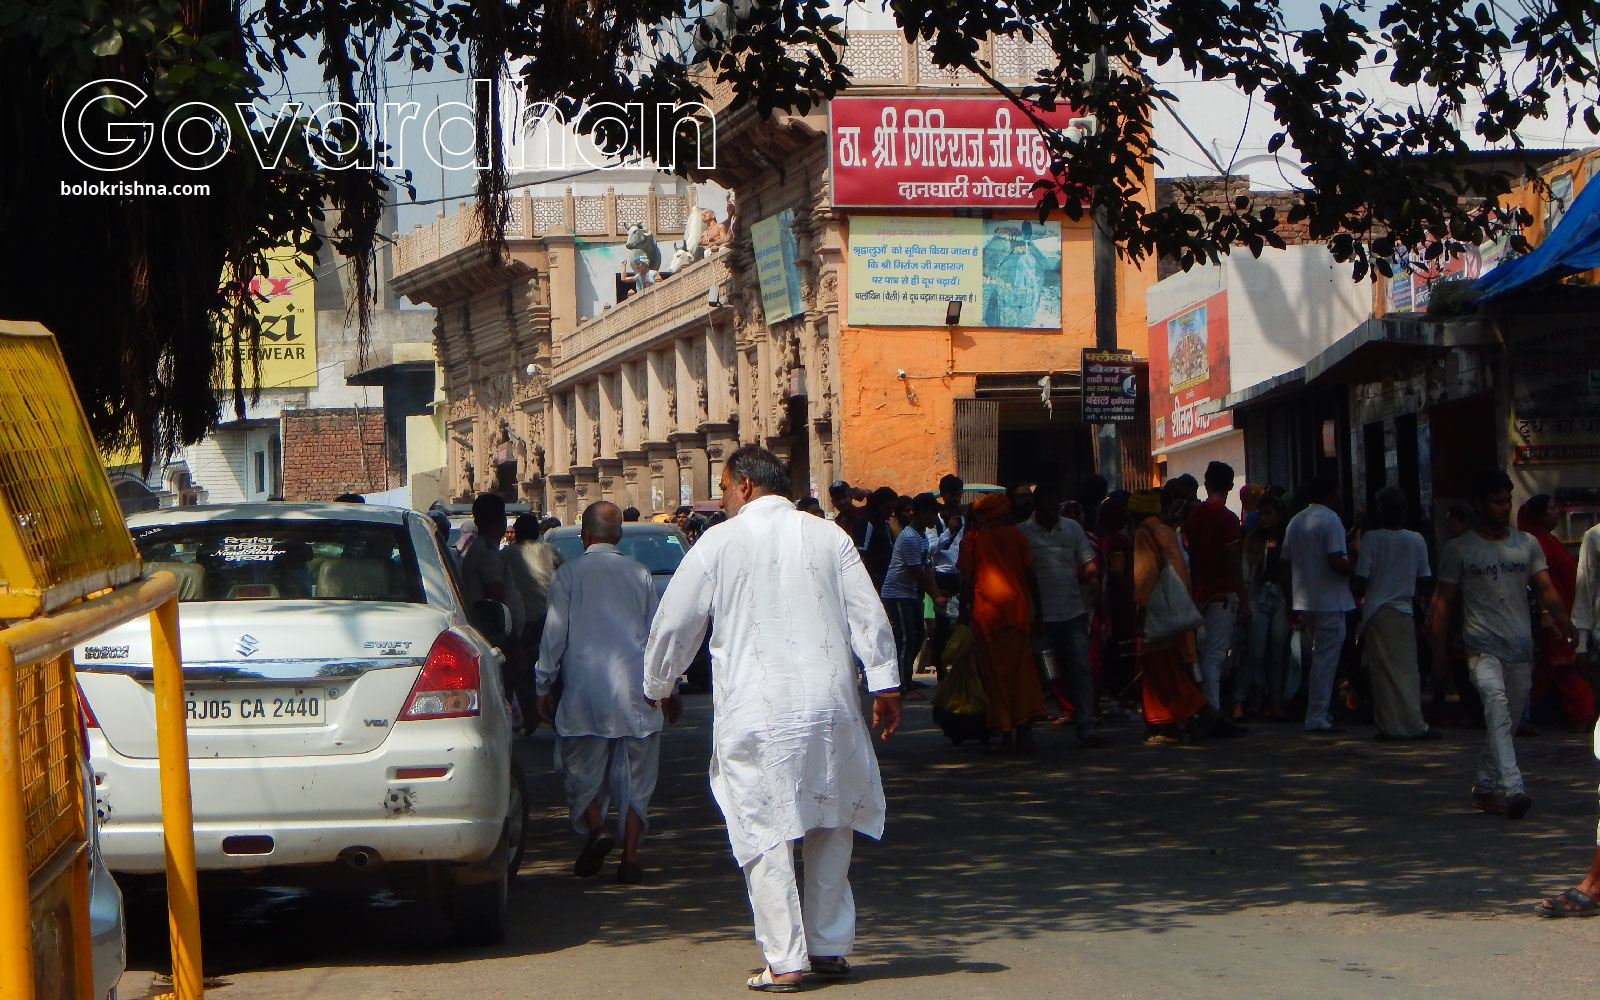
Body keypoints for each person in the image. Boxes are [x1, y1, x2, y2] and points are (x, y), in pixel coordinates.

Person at [643, 446, 900, 992]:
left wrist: (658, 684)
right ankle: (828, 946)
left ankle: (786, 958)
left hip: (758, 708)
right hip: (830, 701)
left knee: (764, 828)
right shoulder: (830, 536)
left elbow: (675, 622)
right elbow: (867, 611)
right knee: (831, 819)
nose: (727, 498)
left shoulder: (719, 541)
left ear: (744, 486)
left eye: (726, 487)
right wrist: (885, 681)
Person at [537, 501, 672, 884]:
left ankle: (597, 827)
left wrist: (542, 684)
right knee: (637, 781)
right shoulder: (641, 574)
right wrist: (669, 686)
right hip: (638, 694)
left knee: (579, 769)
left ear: (584, 536)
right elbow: (657, 636)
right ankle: (629, 857)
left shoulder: (569, 576)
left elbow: (553, 636)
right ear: (618, 536)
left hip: (585, 693)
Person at [1432, 471, 1575, 819]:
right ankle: (1514, 788)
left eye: (1507, 501)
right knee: (1496, 708)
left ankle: (1483, 787)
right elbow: (1442, 604)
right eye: (1497, 501)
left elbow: (1546, 590)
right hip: (1481, 648)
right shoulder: (1460, 549)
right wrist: (1438, 657)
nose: (1503, 507)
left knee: (1505, 722)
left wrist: (1567, 624)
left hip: (1521, 648)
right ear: (1478, 504)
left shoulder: (1526, 544)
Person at [1018, 479, 1105, 748]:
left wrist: (1094, 587)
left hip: (1072, 614)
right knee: (1035, 676)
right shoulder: (1022, 534)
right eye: (1047, 508)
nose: (1052, 513)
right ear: (1036, 507)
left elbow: (1087, 562)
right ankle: (1025, 731)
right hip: (1038, 620)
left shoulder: (1072, 529)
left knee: (1081, 671)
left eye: (1055, 508)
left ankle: (1086, 727)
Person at [958, 493, 1044, 753]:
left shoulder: (973, 540)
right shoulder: (1017, 535)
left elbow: (966, 582)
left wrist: (963, 614)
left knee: (995, 678)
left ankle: (1005, 734)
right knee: (1022, 675)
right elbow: (1030, 574)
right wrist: (1038, 609)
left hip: (987, 619)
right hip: (1016, 615)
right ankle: (1025, 733)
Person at [1352, 487, 1436, 740]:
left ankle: (1391, 726)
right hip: (1404, 610)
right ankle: (1413, 723)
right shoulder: (1416, 539)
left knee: (1383, 671)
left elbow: (1360, 580)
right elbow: (1425, 580)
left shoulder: (1371, 539)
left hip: (1378, 610)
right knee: (1407, 670)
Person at [1129, 488, 1207, 744]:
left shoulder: (1144, 533)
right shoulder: (1164, 530)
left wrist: (1139, 613)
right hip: (1177, 610)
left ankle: (1170, 722)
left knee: (1159, 671)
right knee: (1170, 667)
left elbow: (1145, 575)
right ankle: (1180, 718)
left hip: (1156, 614)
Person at [1282, 478, 1354, 733]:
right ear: (1332, 495)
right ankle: (1318, 715)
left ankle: (1317, 711)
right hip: (1330, 600)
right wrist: (1357, 566)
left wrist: (1290, 601)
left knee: (1315, 659)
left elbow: (1285, 563)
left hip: (1305, 600)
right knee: (1326, 661)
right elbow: (1336, 561)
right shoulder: (1331, 520)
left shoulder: (1296, 522)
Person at [1521, 495, 1593, 729]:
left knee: (1549, 670)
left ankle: (1530, 713)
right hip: (1553, 616)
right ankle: (1582, 714)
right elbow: (1541, 583)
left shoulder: (1549, 540)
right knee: (1563, 667)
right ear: (1540, 515)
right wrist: (1547, 613)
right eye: (1552, 509)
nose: (1557, 512)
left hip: (1565, 611)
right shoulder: (1537, 544)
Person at [1184, 462, 1250, 710]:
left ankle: (1203, 708)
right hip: (1222, 595)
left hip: (1199, 593)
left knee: (1203, 654)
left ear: (1206, 483)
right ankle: (1212, 711)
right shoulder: (1227, 519)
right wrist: (1243, 601)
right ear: (1231, 486)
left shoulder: (1193, 516)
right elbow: (1234, 563)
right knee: (1214, 655)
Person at [881, 492, 949, 693]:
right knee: (906, 637)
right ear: (919, 513)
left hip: (909, 593)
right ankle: (901, 684)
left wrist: (936, 590)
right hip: (897, 594)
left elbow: (927, 568)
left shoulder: (921, 536)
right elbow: (916, 571)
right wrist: (935, 595)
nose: (933, 518)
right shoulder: (910, 537)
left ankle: (907, 679)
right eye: (930, 513)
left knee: (918, 635)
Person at [1233, 495, 1291, 721]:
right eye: (1262, 514)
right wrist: (1244, 602)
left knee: (1278, 653)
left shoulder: (1287, 540)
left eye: (1269, 514)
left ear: (1279, 516)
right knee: (1255, 652)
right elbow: (1246, 576)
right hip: (1258, 597)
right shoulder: (1253, 540)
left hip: (1281, 598)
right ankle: (1239, 701)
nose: (1264, 518)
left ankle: (1275, 702)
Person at [505, 513, 564, 728]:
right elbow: (564, 575)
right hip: (551, 618)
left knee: (524, 671)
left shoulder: (507, 554)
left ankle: (530, 716)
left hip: (523, 623)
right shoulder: (549, 551)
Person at [927, 475, 966, 679]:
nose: (956, 498)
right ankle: (941, 670)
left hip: (963, 575)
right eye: (952, 494)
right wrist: (949, 532)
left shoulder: (965, 516)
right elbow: (931, 549)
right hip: (942, 576)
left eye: (959, 494)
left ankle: (962, 669)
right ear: (943, 495)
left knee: (963, 624)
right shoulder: (936, 522)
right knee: (942, 627)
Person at [855, 487, 897, 592]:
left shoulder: (884, 524)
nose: (891, 512)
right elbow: (861, 555)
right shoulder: (866, 523)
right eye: (887, 508)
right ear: (877, 506)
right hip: (873, 582)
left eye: (892, 508)